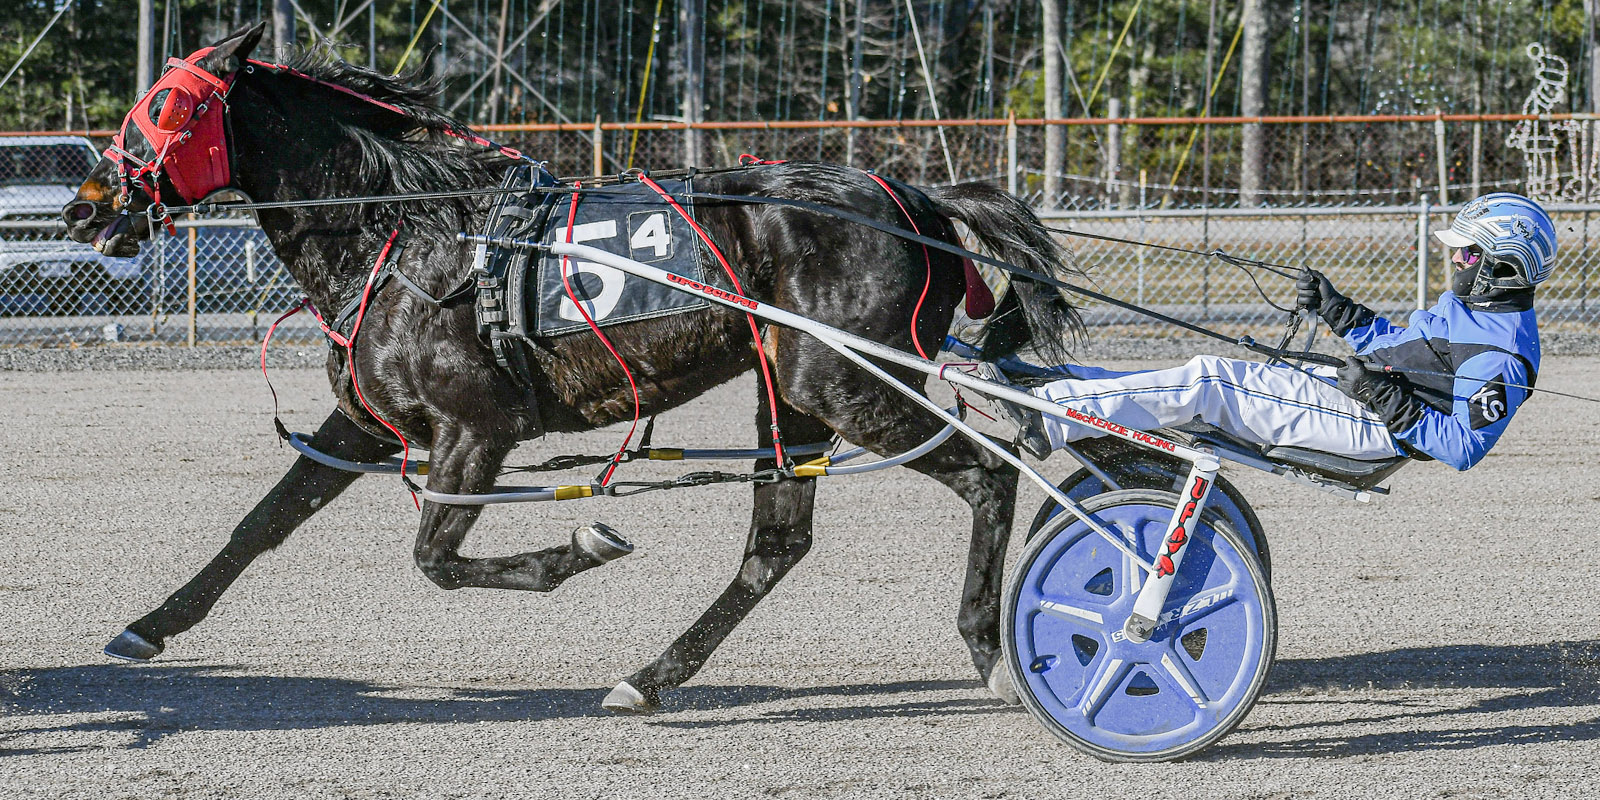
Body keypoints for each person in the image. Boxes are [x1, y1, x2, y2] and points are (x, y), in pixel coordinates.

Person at [987, 192, 1550, 471]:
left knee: (1212, 382)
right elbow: (1406, 351)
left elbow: (1461, 447)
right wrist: (1340, 312)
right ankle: (1055, 386)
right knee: (1203, 371)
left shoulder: (1501, 357)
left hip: (1370, 427)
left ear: (1504, 264)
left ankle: (1050, 418)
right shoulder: (1473, 313)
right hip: (1359, 402)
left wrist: (1381, 394)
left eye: (1469, 254)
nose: (1457, 262)